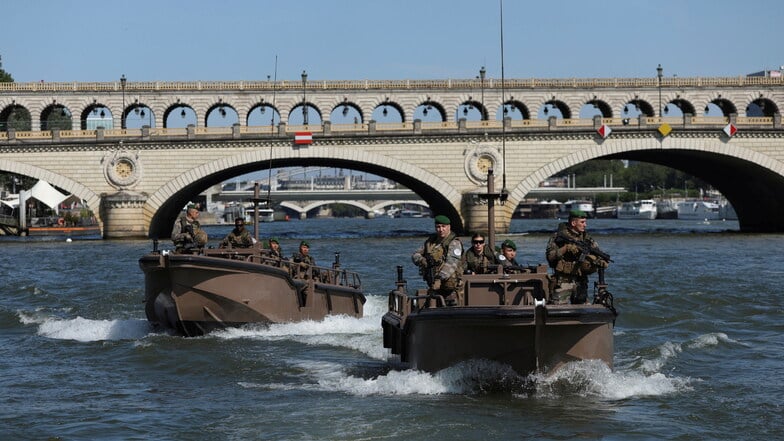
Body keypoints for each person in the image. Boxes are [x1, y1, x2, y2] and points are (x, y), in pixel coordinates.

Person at [545, 209, 610, 304]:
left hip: (581, 281)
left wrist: (600, 261)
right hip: (563, 281)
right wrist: (565, 248)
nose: (585, 225)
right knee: (557, 310)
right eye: (582, 222)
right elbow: (550, 257)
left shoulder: (586, 239)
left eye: (585, 222)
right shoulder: (558, 237)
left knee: (583, 311)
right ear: (573, 223)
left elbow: (596, 251)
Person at [411, 215, 464, 305]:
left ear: (449, 227)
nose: (441, 229)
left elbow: (452, 263)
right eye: (438, 227)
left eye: (443, 226)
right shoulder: (431, 242)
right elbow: (415, 255)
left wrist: (439, 279)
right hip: (434, 286)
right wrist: (422, 260)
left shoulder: (454, 243)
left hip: (451, 289)